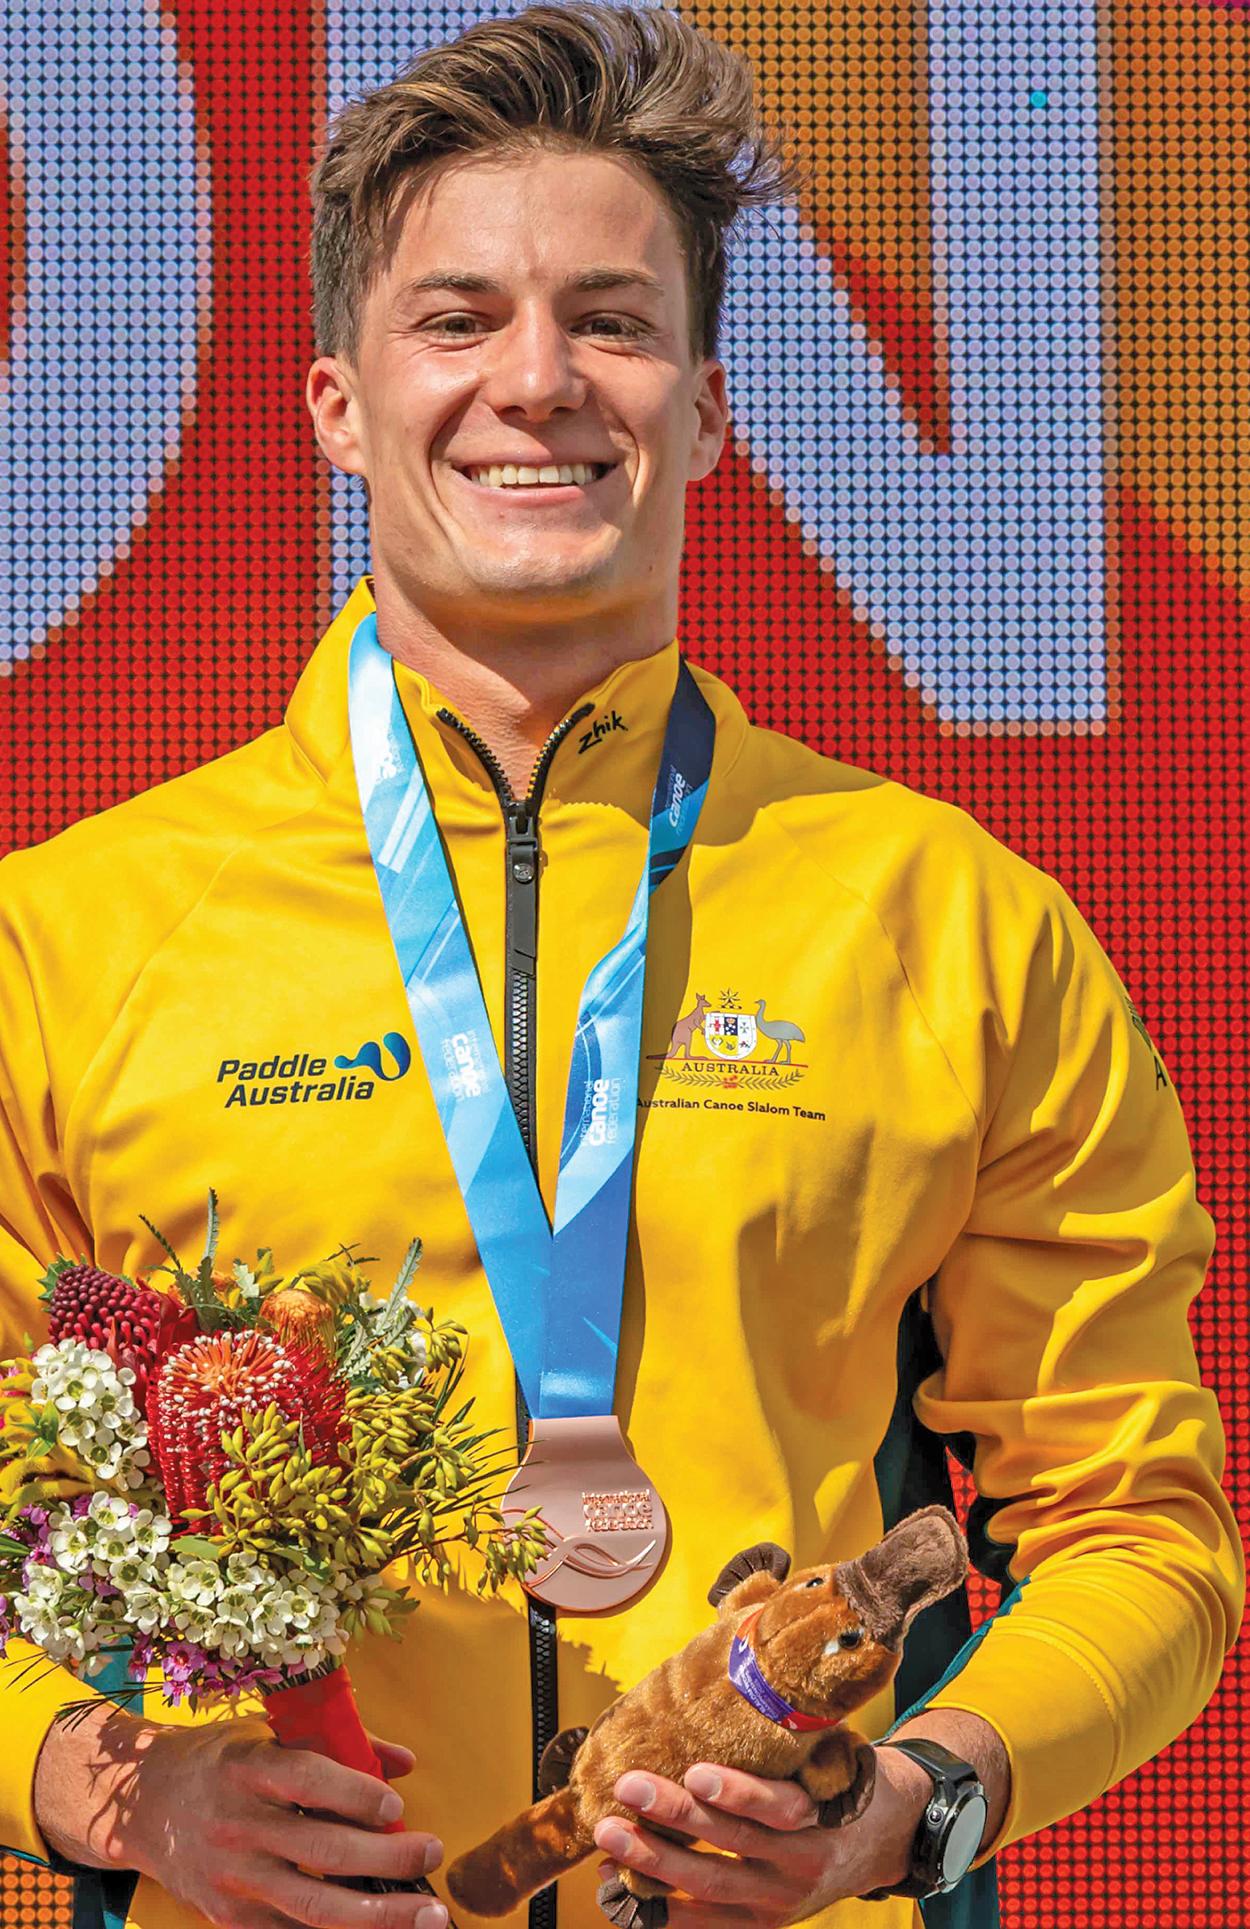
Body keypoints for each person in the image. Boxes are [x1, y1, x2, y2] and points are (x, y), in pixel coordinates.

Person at [0, 6, 1242, 1928]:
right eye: (457, 320)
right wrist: (111, 1790)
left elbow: (1137, 1529)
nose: (537, 380)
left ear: (707, 405)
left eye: (610, 320)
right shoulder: (69, 936)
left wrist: (915, 1799)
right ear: (337, 403)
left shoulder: (952, 920)